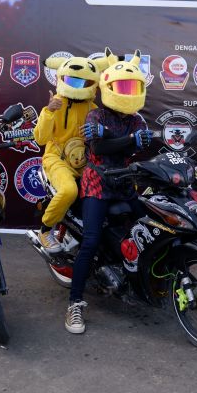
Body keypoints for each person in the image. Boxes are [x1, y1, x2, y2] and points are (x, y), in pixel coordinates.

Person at [65, 49, 152, 334]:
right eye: (123, 87)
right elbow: (99, 148)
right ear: (108, 86)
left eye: (132, 87)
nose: (128, 92)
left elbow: (139, 144)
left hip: (125, 184)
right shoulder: (95, 114)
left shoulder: (136, 119)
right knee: (90, 241)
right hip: (97, 183)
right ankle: (74, 304)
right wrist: (128, 139)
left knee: (150, 226)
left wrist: (116, 137)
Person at [33, 54, 107, 256]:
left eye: (83, 82)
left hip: (85, 162)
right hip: (57, 160)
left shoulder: (94, 110)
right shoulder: (56, 104)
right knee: (68, 191)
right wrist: (48, 112)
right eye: (72, 81)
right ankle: (45, 230)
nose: (77, 86)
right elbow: (40, 138)